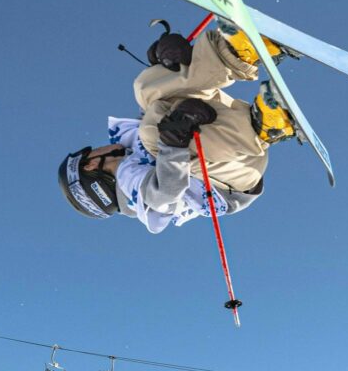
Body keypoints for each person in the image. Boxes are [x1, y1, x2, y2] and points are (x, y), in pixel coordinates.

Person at [56, 22, 295, 234]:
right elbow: (164, 195)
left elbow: (157, 102)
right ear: (90, 164)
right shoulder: (130, 184)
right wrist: (173, 142)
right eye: (93, 151)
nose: (100, 147)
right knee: (153, 132)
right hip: (235, 174)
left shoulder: (131, 151)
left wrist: (166, 65)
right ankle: (268, 125)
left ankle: (236, 53)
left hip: (222, 153)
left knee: (145, 89)